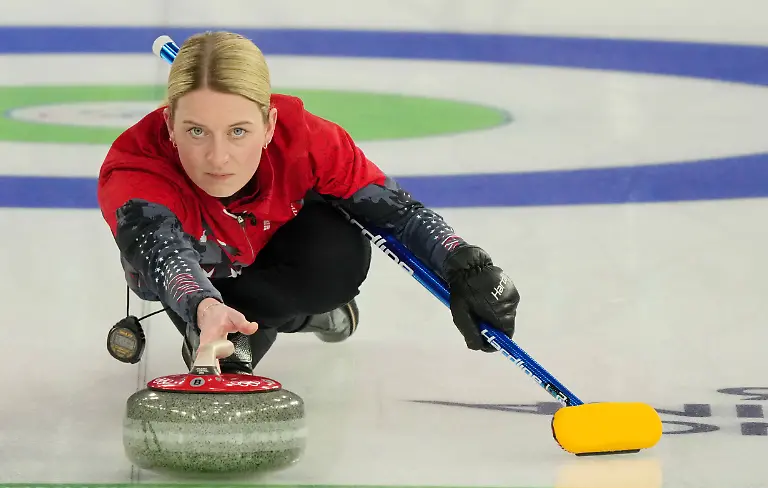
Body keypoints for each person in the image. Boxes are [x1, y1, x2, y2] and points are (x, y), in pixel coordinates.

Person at [97, 30, 520, 374]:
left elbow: (399, 214)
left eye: (238, 131)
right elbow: (166, 256)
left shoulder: (308, 141)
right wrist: (204, 308)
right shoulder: (135, 170)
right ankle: (238, 325)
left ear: (270, 125)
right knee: (185, 301)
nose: (218, 157)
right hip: (198, 269)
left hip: (271, 249)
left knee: (338, 254)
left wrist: (465, 264)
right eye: (196, 131)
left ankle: (283, 316)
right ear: (170, 124)